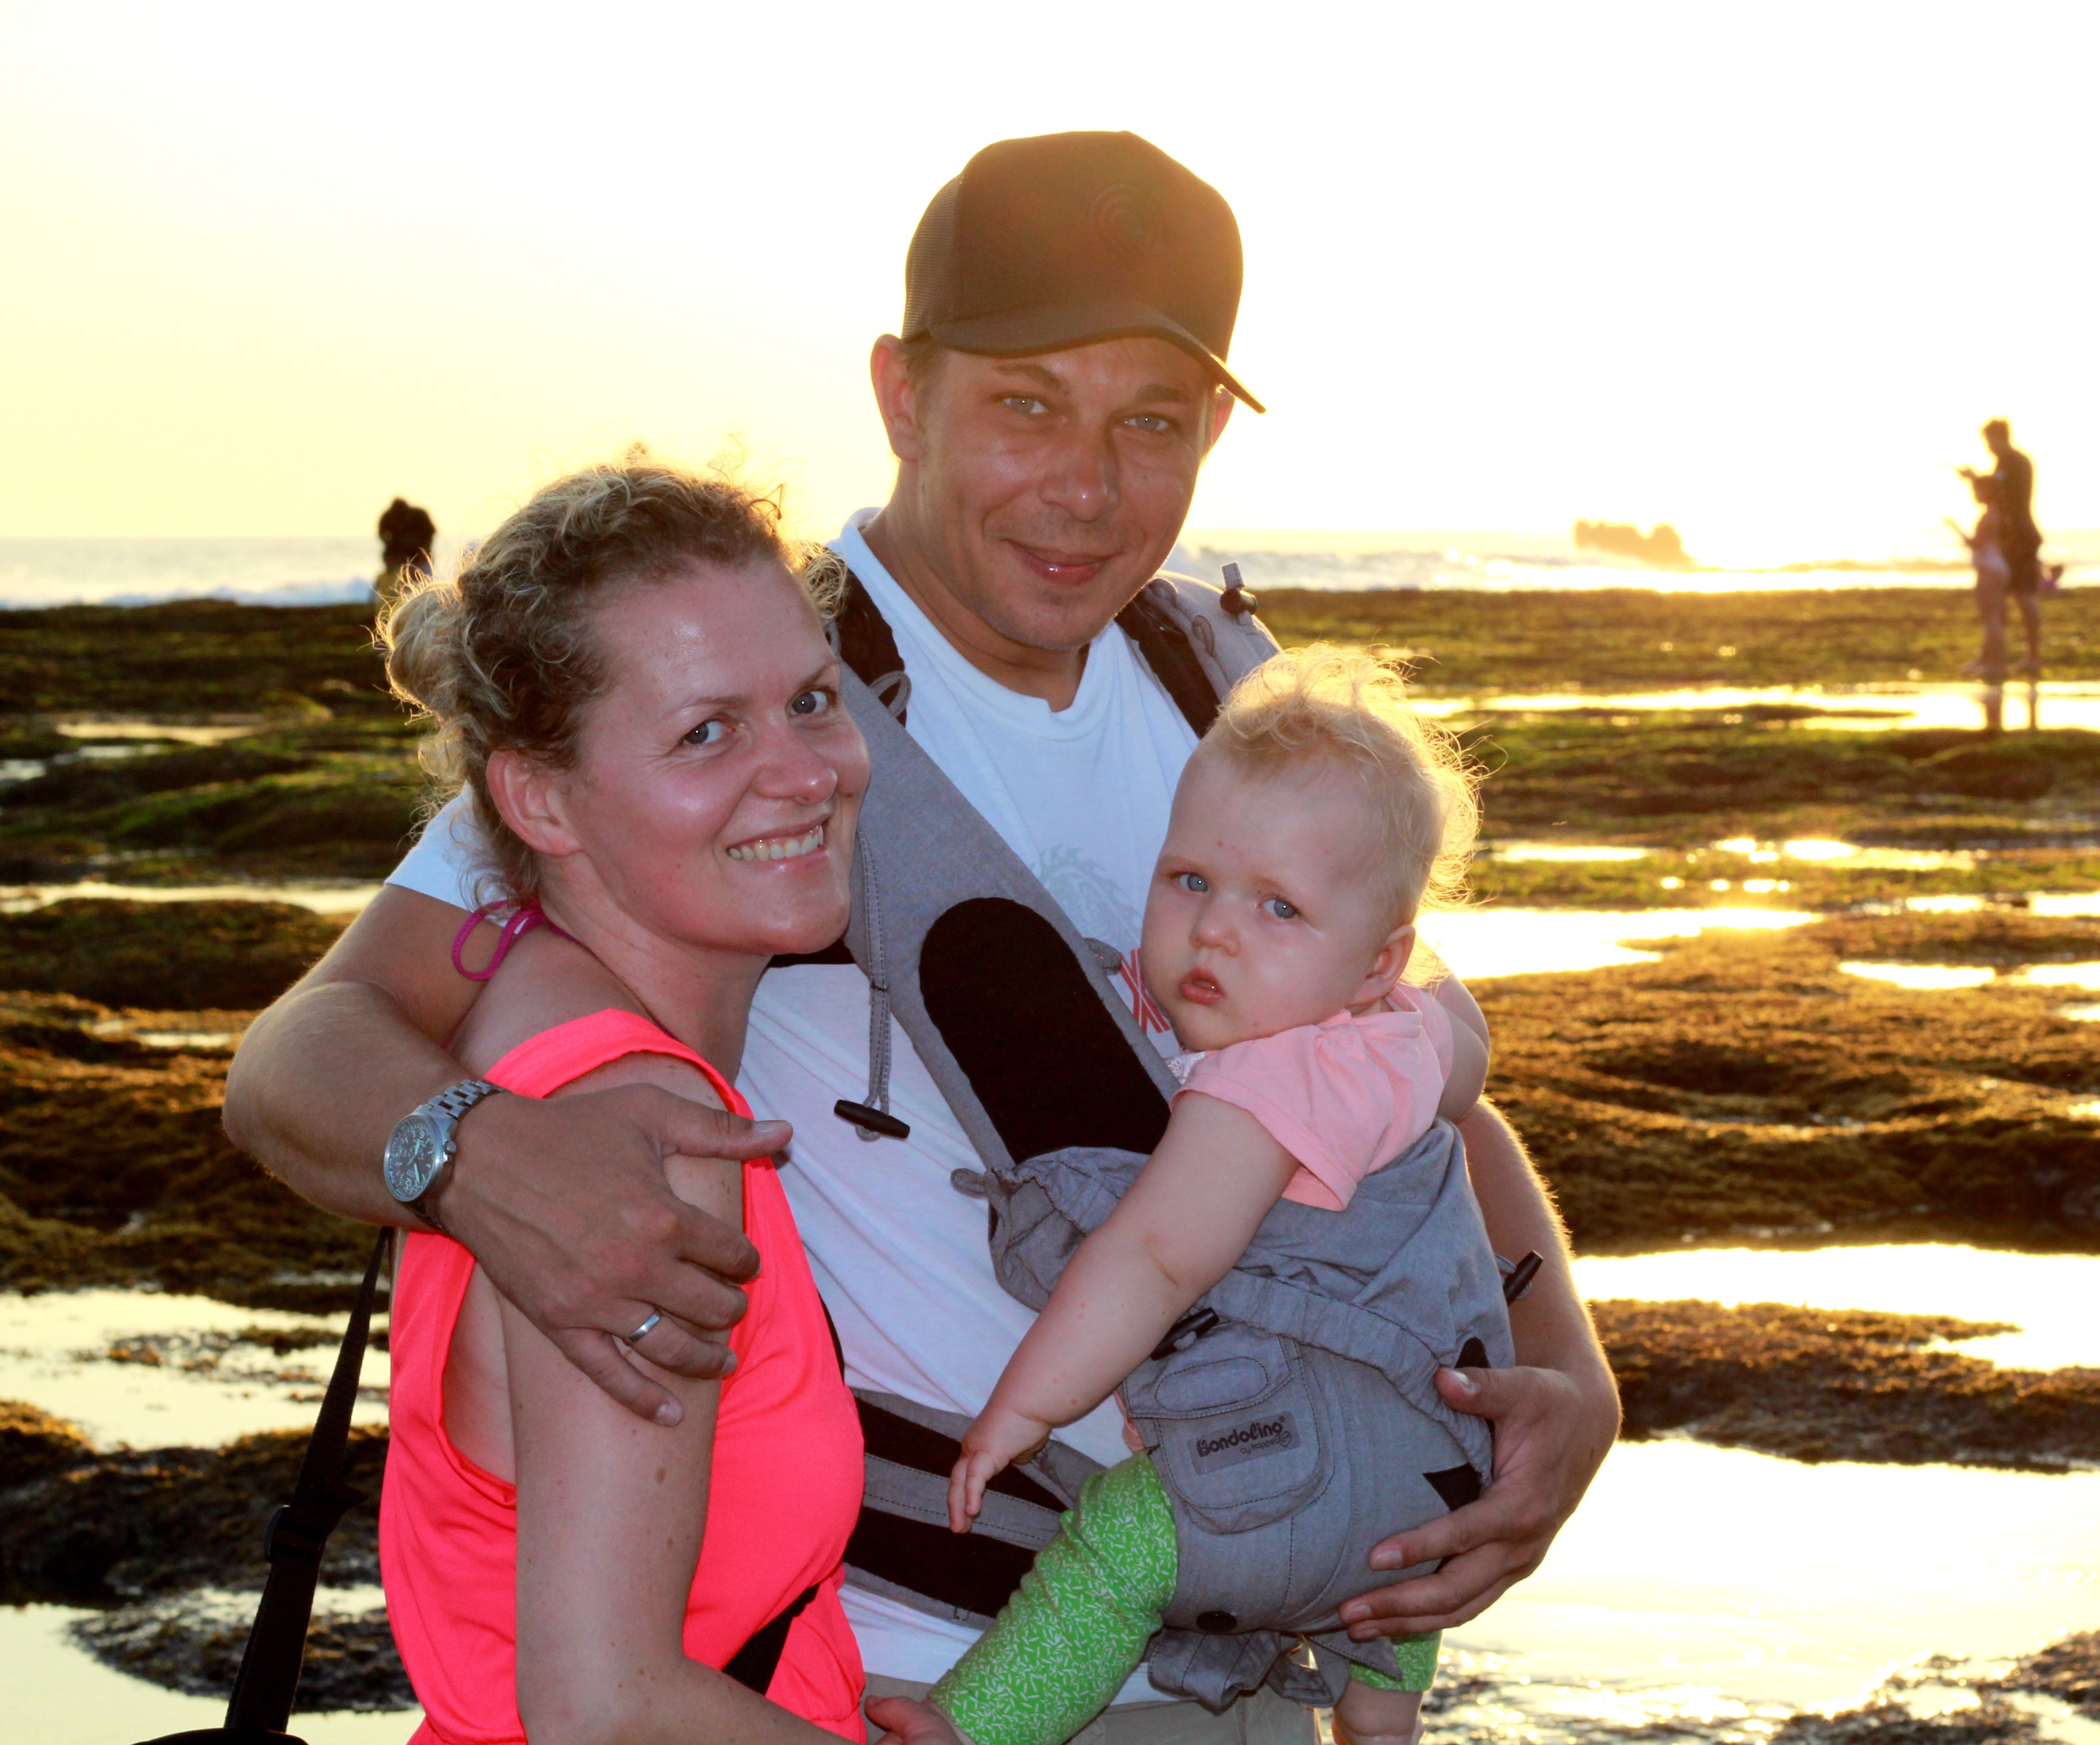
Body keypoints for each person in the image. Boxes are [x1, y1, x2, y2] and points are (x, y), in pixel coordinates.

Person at [225, 130, 1621, 1743]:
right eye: (1028, 404)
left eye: (1151, 424)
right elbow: (297, 1059)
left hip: (1257, 1631)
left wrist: (1570, 1381)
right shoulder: (742, 702)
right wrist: (478, 1163)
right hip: (914, 1678)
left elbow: (1405, 1074)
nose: (1087, 487)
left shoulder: (1227, 693)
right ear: (902, 392)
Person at [887, 647, 1491, 1745]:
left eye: (1279, 909)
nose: (1215, 929)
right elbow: (1465, 1074)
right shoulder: (1404, 1034)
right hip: (1435, 1486)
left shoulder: (1269, 1084)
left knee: (1121, 1548)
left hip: (1300, 1484)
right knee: (1384, 1606)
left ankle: (975, 1729)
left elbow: (1160, 1255)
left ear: (1375, 961)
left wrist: (1025, 1411)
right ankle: (1381, 1720)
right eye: (1190, 883)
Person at [370, 460, 874, 1742]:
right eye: (707, 730)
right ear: (538, 797)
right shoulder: (638, 1126)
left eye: (811, 699)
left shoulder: (524, 1032)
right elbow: (605, 1707)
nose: (804, 771)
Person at [1957, 420, 2046, 678]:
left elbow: (2001, 493)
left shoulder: (2016, 462)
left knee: (2024, 596)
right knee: (2000, 602)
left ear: (1999, 438)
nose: (1988, 448)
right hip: (2010, 538)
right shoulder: (2006, 464)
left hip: (2020, 538)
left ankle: (2031, 657)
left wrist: (1975, 478)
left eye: (1989, 442)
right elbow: (1997, 491)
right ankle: (1993, 656)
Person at [377, 496, 437, 602]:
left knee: (425, 586)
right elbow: (381, 534)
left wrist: (425, 550)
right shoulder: (388, 517)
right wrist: (391, 546)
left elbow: (432, 532)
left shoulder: (420, 516)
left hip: (420, 557)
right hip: (398, 558)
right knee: (396, 587)